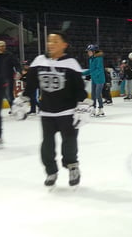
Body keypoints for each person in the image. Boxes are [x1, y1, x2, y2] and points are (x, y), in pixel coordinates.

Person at [22, 31, 88, 186]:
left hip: (68, 112)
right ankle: (51, 171)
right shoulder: (39, 61)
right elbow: (31, 84)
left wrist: (83, 104)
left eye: (55, 41)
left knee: (69, 143)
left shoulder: (71, 63)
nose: (50, 44)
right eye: (49, 41)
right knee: (47, 145)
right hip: (47, 112)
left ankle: (72, 167)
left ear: (64, 45)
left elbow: (80, 88)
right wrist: (23, 98)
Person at [0, 40, 20, 113]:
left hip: (8, 77)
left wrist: (18, 71)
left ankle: (13, 108)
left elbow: (17, 64)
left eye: (4, 46)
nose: (3, 47)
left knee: (9, 94)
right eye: (1, 46)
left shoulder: (10, 55)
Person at [83, 44, 105, 117]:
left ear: (94, 51)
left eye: (89, 51)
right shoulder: (91, 59)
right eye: (88, 51)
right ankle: (93, 108)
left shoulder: (99, 59)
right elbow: (91, 70)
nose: (88, 53)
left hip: (100, 79)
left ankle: (101, 109)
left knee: (98, 94)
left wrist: (92, 74)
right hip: (94, 79)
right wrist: (82, 73)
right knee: (93, 95)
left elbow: (99, 69)